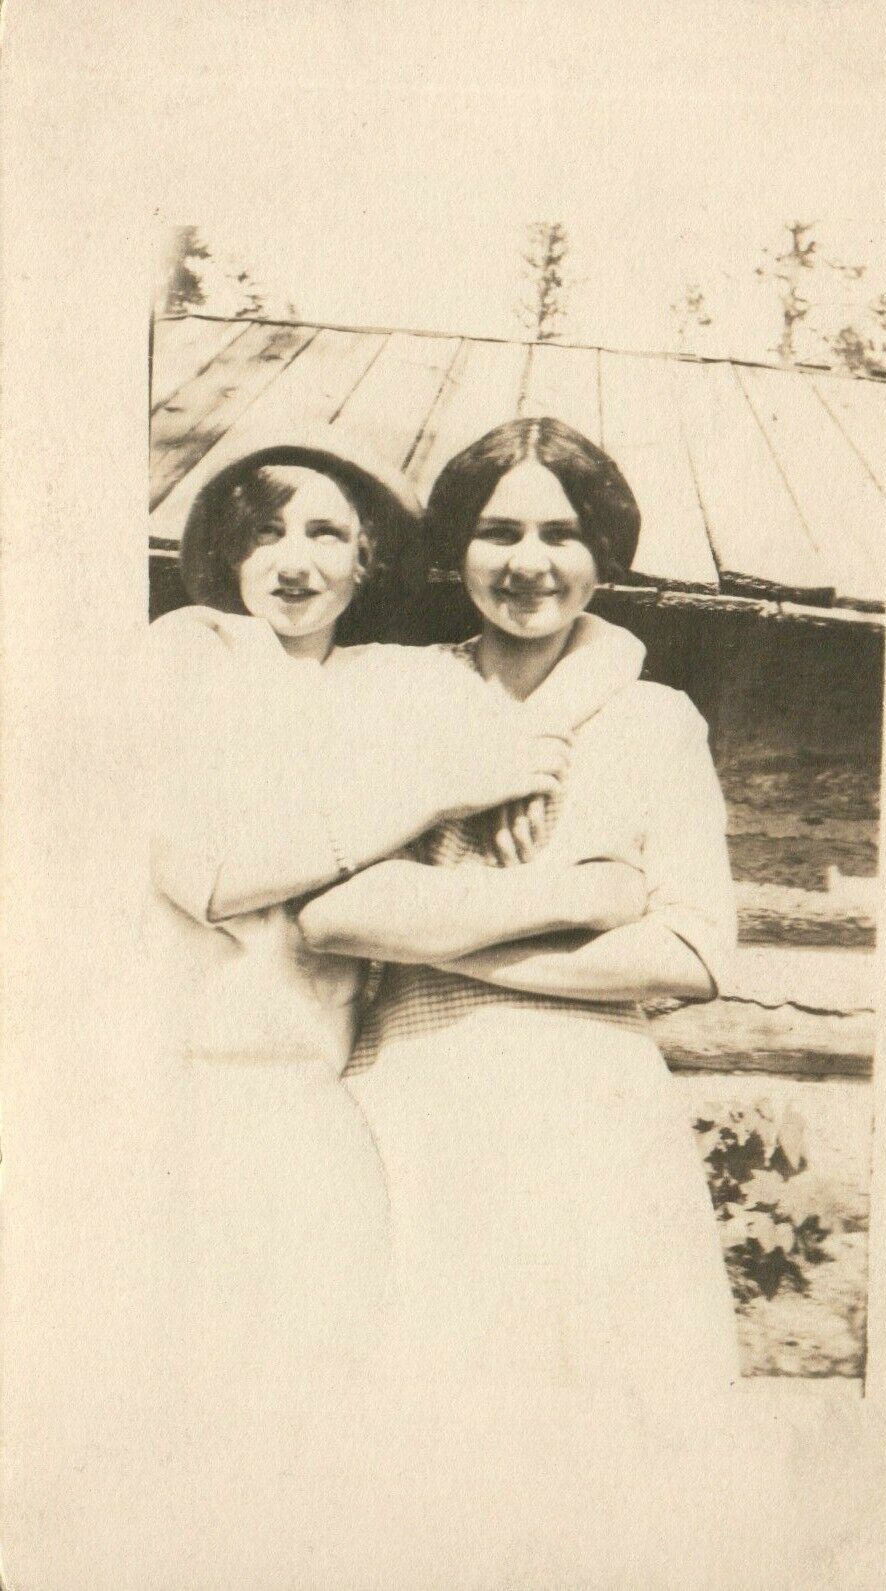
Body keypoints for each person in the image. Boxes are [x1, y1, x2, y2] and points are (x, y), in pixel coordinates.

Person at [143, 440, 647, 1578]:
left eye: (327, 533)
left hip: (321, 1086)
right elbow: (217, 873)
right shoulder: (185, 656)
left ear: (371, 558)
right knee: (198, 1406)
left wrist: (531, 770)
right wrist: (457, 789)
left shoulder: (383, 682)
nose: (294, 559)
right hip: (187, 1081)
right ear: (224, 548)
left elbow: (595, 648)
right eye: (266, 529)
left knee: (336, 1396)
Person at [297, 419, 740, 1517]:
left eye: (562, 531)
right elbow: (335, 906)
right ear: (455, 546)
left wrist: (465, 949)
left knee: (597, 1457)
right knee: (420, 1451)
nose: (530, 561)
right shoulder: (380, 687)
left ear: (605, 550)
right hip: (409, 1099)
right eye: (498, 530)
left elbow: (689, 948)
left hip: (593, 1110)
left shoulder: (653, 719)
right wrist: (579, 899)